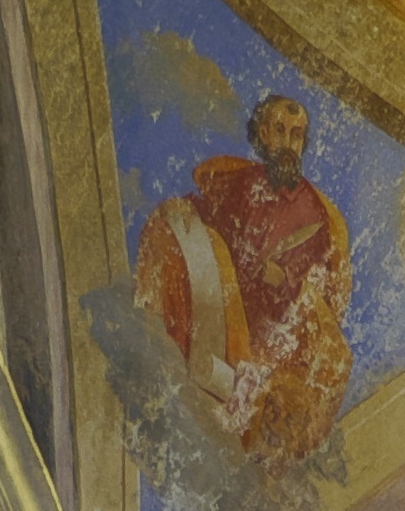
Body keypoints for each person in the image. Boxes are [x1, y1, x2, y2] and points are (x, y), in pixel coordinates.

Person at [130, 89, 353, 475]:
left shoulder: (312, 211)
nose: (288, 142)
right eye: (280, 130)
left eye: (297, 134)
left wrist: (282, 280)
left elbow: (313, 283)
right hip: (223, 307)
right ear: (264, 134)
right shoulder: (239, 183)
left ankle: (250, 431)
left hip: (272, 329)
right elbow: (203, 217)